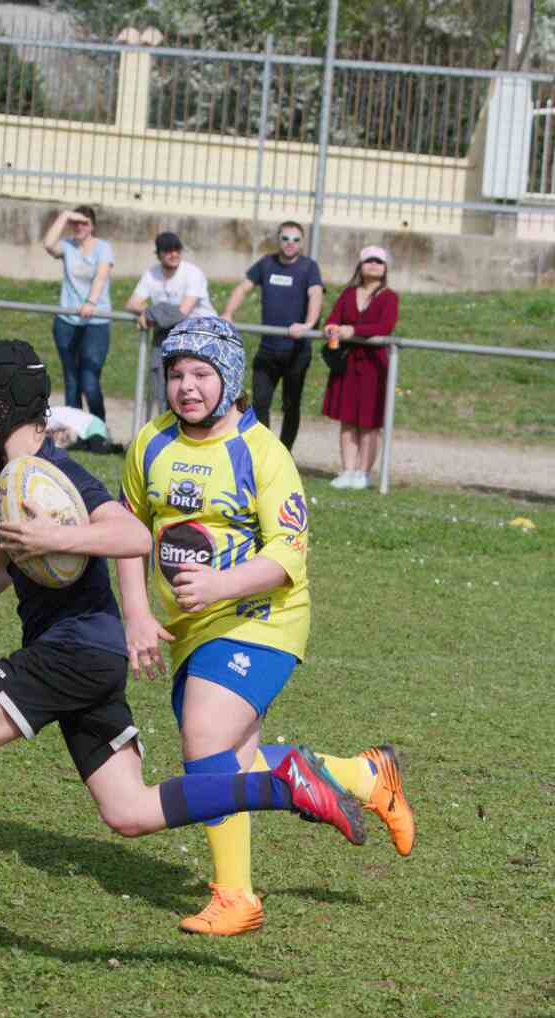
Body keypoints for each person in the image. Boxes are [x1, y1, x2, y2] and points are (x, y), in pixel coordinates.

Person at [0, 338, 411, 959]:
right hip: (90, 657)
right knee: (130, 812)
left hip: (73, 650)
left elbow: (131, 534)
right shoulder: (7, 480)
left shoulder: (57, 474)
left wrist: (62, 537)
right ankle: (283, 782)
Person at [118, 316, 415, 937]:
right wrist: (138, 612)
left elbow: (287, 555)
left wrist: (219, 585)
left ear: (229, 379)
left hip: (264, 618)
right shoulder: (150, 441)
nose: (187, 387)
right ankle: (365, 776)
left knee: (205, 739)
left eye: (202, 374)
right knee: (234, 763)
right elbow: (127, 529)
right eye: (176, 374)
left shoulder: (262, 453)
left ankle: (236, 898)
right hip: (192, 626)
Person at [221, 220, 322, 451]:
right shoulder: (266, 263)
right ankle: (264, 452)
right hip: (268, 349)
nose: (290, 243)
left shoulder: (309, 267)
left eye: (295, 239)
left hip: (296, 351)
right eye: (285, 238)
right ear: (278, 240)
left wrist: (308, 324)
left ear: (302, 243)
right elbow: (243, 288)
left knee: (291, 405)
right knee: (260, 403)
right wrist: (227, 313)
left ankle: (284, 453)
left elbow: (315, 294)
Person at [322, 246, 399, 490]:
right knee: (347, 420)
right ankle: (347, 470)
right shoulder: (348, 294)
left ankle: (363, 473)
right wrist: (331, 327)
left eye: (379, 261)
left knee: (369, 423)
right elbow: (334, 317)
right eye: (369, 260)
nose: (373, 265)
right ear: (360, 266)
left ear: (385, 268)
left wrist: (353, 331)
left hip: (374, 366)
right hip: (347, 364)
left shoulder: (389, 297)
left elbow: (385, 326)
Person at [125, 232, 216, 412]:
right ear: (158, 254)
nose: (174, 254)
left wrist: (150, 313)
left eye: (177, 250)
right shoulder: (151, 273)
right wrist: (148, 312)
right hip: (167, 335)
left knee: (192, 390)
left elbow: (182, 313)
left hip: (199, 335)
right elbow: (131, 304)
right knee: (163, 387)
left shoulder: (193, 273)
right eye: (168, 251)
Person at [43, 205, 113, 421]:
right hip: (66, 322)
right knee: (72, 381)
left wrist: (91, 302)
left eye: (85, 223)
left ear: (93, 226)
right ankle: (74, 431)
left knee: (89, 382)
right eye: (76, 223)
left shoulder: (103, 248)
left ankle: (99, 431)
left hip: (96, 322)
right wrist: (65, 216)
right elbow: (48, 244)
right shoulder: (68, 246)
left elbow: (101, 276)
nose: (80, 227)